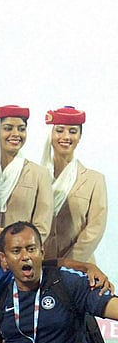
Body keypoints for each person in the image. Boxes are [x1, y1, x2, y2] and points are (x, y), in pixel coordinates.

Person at [41, 106, 107, 263]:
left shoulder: (94, 180)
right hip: (39, 266)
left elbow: (94, 229)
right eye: (59, 130)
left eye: (72, 131)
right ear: (50, 134)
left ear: (80, 136)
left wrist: (67, 263)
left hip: (79, 266)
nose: (66, 136)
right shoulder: (36, 176)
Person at [0, 105, 52, 239]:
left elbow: (42, 227)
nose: (16, 134)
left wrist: (17, 247)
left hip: (22, 250)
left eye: (21, 129)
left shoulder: (39, 175)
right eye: (8, 128)